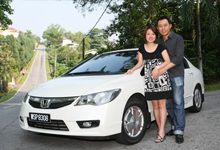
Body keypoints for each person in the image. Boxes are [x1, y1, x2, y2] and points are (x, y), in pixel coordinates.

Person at [125, 25, 173, 143]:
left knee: (162, 105)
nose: (150, 36)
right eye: (148, 34)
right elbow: (140, 63)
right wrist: (132, 69)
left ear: (155, 35)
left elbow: (167, 61)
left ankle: (161, 131)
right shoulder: (141, 48)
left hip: (161, 78)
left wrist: (157, 67)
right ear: (145, 36)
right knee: (155, 106)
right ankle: (159, 128)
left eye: (152, 34)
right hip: (150, 80)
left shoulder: (161, 47)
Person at [154, 16, 185, 144]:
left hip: (176, 74)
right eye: (160, 26)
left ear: (170, 26)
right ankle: (173, 127)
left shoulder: (178, 39)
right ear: (158, 28)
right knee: (168, 105)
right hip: (163, 78)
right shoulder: (158, 42)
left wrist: (163, 69)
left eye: (165, 25)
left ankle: (179, 131)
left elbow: (178, 58)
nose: (163, 28)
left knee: (178, 103)